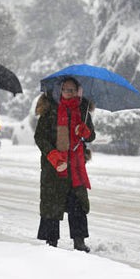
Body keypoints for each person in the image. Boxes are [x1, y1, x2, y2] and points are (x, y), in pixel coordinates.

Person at [34, 77, 96, 252]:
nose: (70, 93)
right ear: (59, 90)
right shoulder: (50, 110)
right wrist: (53, 155)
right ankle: (51, 240)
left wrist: (86, 131)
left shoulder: (83, 110)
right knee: (52, 203)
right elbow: (40, 137)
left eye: (73, 90)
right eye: (67, 90)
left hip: (75, 165)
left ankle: (79, 240)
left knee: (78, 203)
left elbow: (91, 137)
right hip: (54, 167)